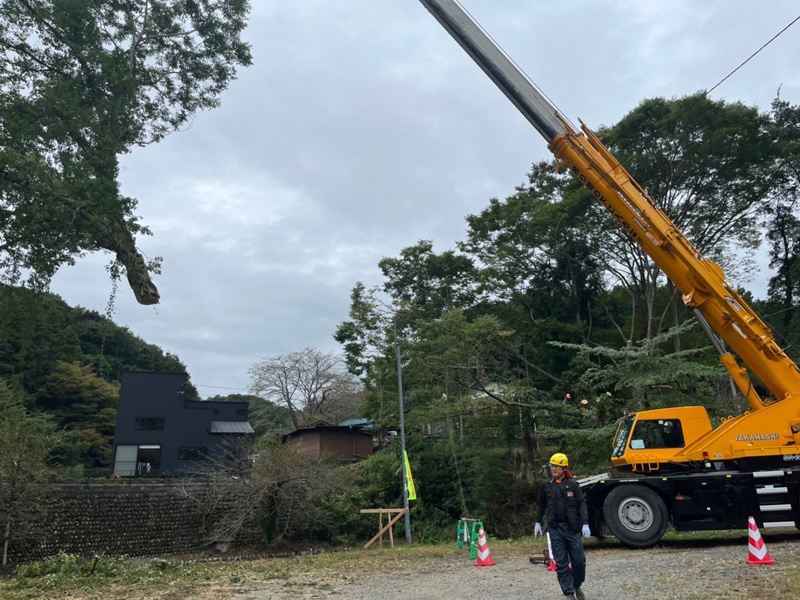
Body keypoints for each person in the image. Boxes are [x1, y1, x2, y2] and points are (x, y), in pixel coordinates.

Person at [535, 453, 590, 600]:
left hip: (572, 529)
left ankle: (576, 585)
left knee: (579, 561)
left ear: (564, 468)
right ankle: (569, 593)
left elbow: (582, 504)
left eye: (557, 466)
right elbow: (541, 504)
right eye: (552, 466)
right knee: (561, 563)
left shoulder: (573, 485)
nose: (554, 469)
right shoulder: (546, 485)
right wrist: (537, 522)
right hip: (555, 529)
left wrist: (585, 523)